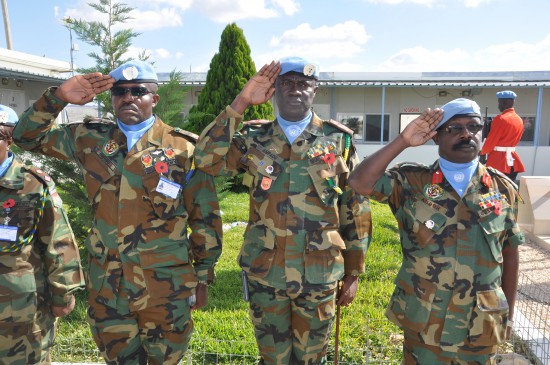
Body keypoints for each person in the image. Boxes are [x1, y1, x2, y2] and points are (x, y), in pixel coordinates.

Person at [12, 60, 223, 365]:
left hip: (165, 287)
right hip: (109, 286)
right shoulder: (90, 138)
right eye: (120, 92)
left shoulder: (184, 148)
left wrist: (203, 278)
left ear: (155, 98)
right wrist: (58, 96)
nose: (128, 97)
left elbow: (205, 218)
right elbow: (25, 137)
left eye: (138, 91)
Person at [193, 57, 372, 364]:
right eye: (286, 84)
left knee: (311, 358)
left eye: (303, 84)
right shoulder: (253, 138)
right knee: (272, 358)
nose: (295, 90)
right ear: (274, 90)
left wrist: (353, 272)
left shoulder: (336, 139)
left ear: (314, 91)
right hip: (267, 272)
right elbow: (205, 159)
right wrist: (242, 102)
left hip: (319, 273)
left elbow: (354, 208)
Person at [348, 98, 524, 364]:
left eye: (474, 126)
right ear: (436, 136)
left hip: (482, 325)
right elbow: (359, 182)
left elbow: (510, 253)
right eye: (454, 128)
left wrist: (507, 315)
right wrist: (403, 141)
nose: (466, 134)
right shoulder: (411, 183)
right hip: (426, 321)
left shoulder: (502, 188)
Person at [0, 105, 85, 364]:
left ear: (9, 139)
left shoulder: (33, 184)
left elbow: (59, 242)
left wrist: (63, 294)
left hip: (19, 313)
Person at [480, 90, 525, 181]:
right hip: (512, 161)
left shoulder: (500, 119)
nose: (498, 105)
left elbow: (491, 141)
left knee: (495, 191)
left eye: (499, 102)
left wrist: (482, 152)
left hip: (499, 162)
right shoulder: (519, 119)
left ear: (504, 102)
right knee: (510, 191)